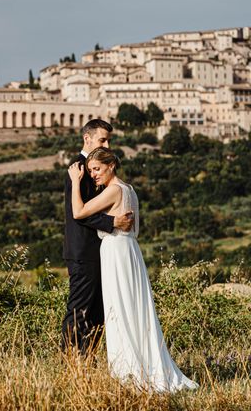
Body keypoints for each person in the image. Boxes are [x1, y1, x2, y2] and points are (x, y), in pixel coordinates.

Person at [68, 147, 198, 392]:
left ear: (111, 166)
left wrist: (76, 181)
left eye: (97, 169)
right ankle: (143, 364)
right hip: (129, 250)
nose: (93, 175)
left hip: (116, 251)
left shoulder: (114, 190)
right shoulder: (129, 190)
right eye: (91, 170)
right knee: (133, 307)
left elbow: (78, 212)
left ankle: (129, 370)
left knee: (120, 308)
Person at [62, 119, 133, 355]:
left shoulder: (96, 166)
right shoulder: (78, 169)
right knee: (79, 310)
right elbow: (79, 213)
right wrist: (113, 222)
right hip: (83, 252)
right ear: (87, 138)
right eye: (103, 139)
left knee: (97, 313)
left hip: (102, 252)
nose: (108, 144)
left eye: (109, 140)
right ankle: (71, 363)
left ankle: (87, 362)